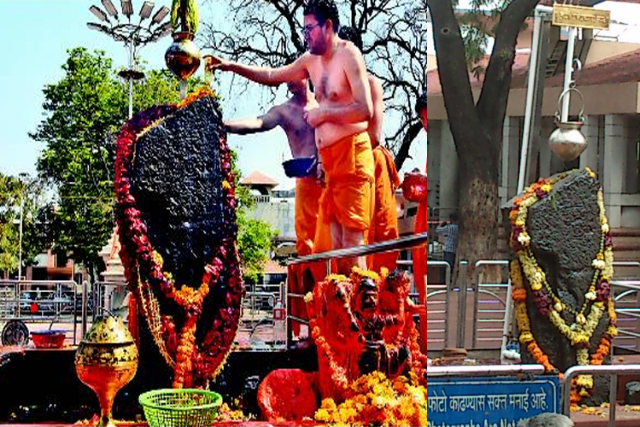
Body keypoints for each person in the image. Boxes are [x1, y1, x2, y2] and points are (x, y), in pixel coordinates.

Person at [205, 0, 375, 272]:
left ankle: (359, 310)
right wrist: (229, 65)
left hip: (352, 155)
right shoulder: (309, 62)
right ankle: (337, 311)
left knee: (351, 242)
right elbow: (272, 75)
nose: (305, 35)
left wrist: (323, 115)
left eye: (310, 28)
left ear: (328, 26)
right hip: (327, 164)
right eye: (303, 29)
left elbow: (365, 110)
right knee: (333, 246)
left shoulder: (349, 55)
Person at [223, 77, 323, 335]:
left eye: (294, 75)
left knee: (333, 254)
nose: (288, 81)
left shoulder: (325, 103)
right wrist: (224, 125)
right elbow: (258, 123)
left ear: (307, 75)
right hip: (305, 187)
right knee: (308, 257)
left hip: (330, 186)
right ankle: (310, 329)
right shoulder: (284, 110)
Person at [338, 26, 401, 272]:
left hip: (369, 164)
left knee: (380, 232)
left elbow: (374, 135)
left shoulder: (371, 84)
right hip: (342, 171)